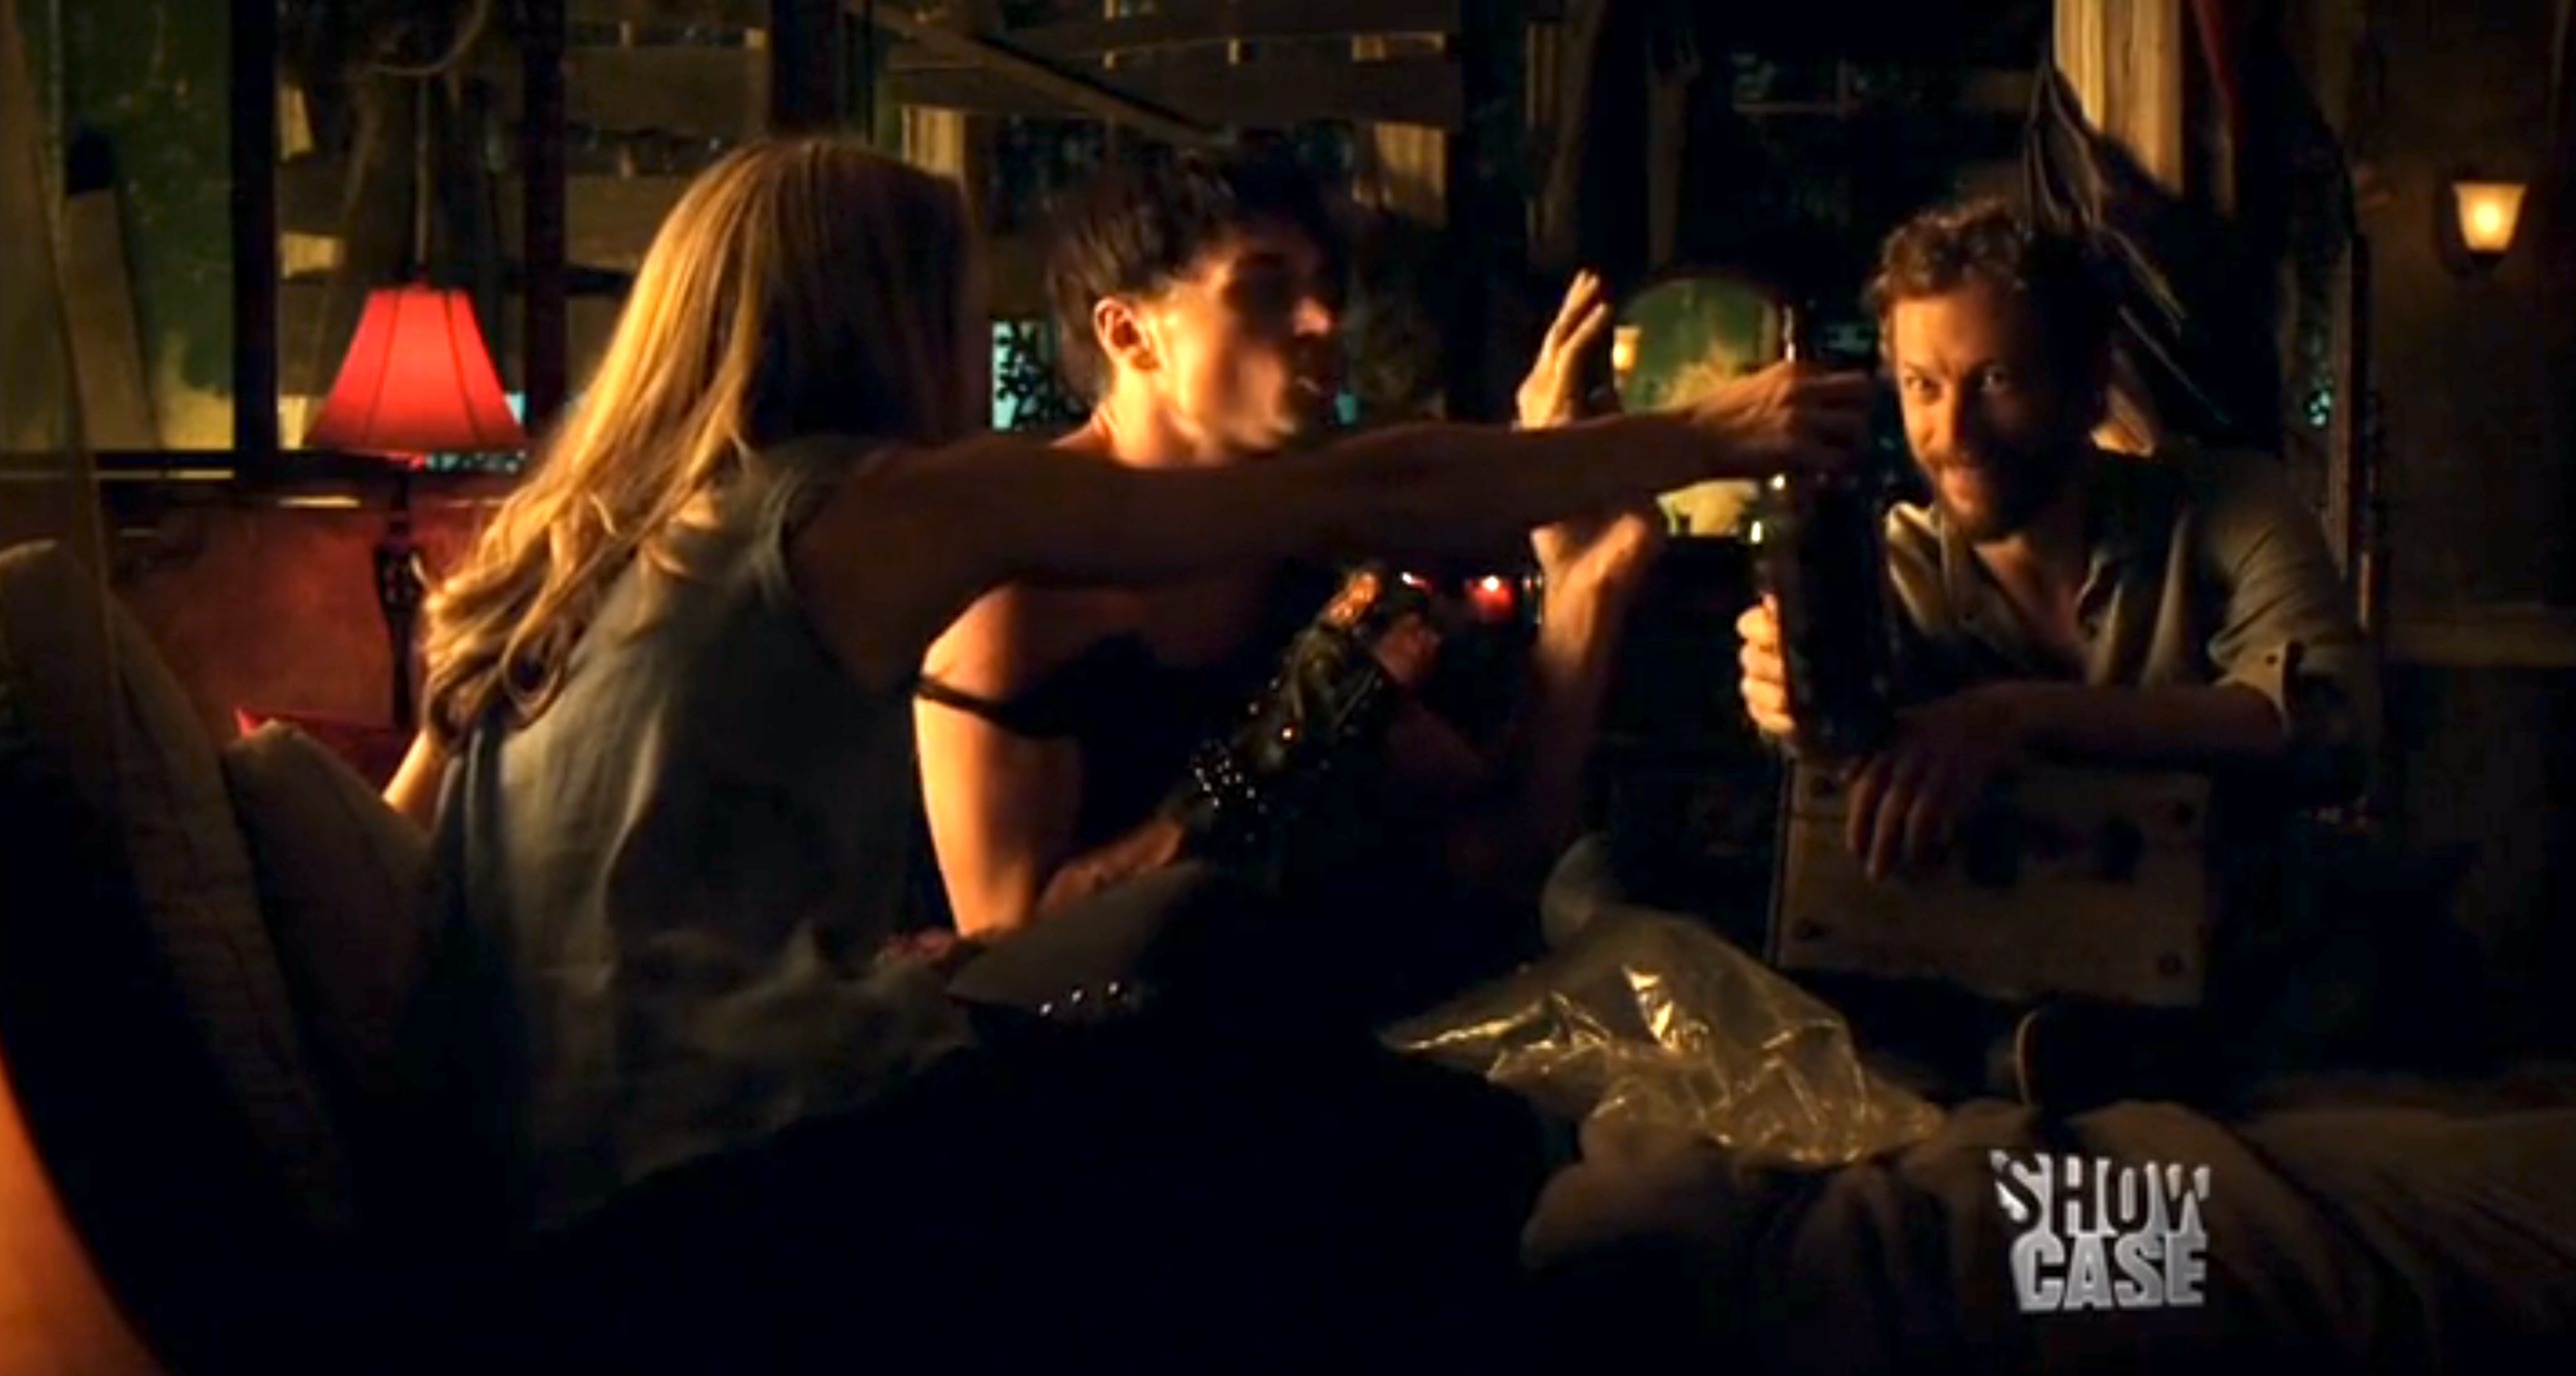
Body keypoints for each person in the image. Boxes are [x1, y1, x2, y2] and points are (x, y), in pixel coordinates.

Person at [370, 134, 1868, 1369]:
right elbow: (1364, 488)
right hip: (712, 1191)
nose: (970, 350)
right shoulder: (852, 509)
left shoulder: (569, 557)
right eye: (955, 305)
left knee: (1303, 1067)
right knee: (1300, 1069)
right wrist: (1705, 432)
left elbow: (399, 853)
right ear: (880, 316)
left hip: (542, 1191)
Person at [912, 145, 1655, 1019]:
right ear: (1128, 333)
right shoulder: (1021, 588)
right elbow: (1013, 978)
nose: (1320, 320)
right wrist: (1278, 747)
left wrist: (1584, 593)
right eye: (1265, 290)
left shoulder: (1299, 562)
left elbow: (1497, 860)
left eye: (1327, 290)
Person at [1734, 197, 2379, 1106]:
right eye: (1922, 385)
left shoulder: (2229, 503)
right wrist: (1789, 698)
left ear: (2089, 382)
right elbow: (1837, 767)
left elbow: (2329, 725)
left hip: (2213, 961)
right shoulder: (1890, 566)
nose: (1953, 433)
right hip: (1980, 972)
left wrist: (2016, 717)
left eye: (1995, 379)